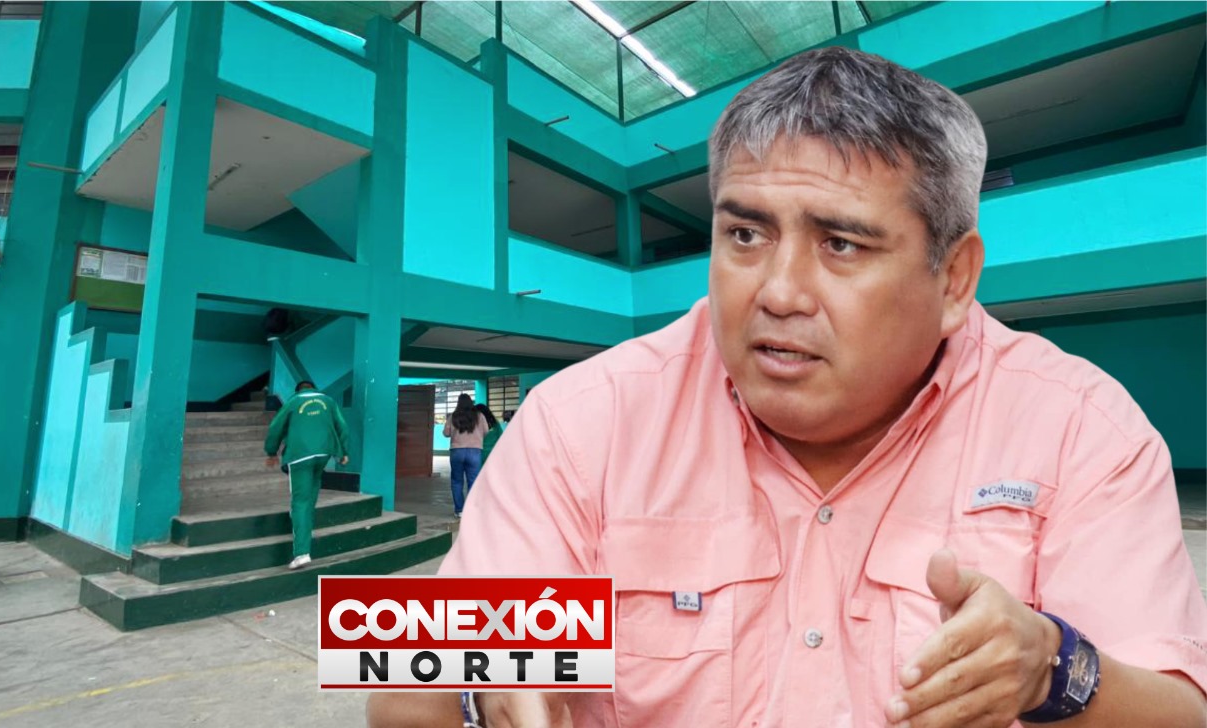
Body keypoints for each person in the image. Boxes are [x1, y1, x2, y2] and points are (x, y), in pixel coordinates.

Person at [368, 46, 1207, 727]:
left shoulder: (1080, 430)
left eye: (841, 244)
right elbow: (395, 683)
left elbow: (1180, 710)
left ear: (953, 278)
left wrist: (1055, 672)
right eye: (745, 233)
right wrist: (481, 688)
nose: (777, 292)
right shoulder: (583, 422)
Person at [264, 380, 349, 570]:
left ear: (298, 391)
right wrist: (343, 452)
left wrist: (271, 452)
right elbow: (342, 426)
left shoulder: (293, 402)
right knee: (310, 495)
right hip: (324, 453)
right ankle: (304, 527)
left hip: (299, 455)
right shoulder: (328, 401)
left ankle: (301, 553)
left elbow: (275, 428)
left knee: (300, 502)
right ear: (313, 388)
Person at [443, 393, 488, 518]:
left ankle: (459, 510)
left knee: (457, 481)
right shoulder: (479, 416)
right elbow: (486, 431)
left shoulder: (453, 416)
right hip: (475, 451)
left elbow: (446, 433)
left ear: (458, 403)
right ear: (470, 402)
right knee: (473, 481)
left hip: (457, 451)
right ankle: (472, 510)